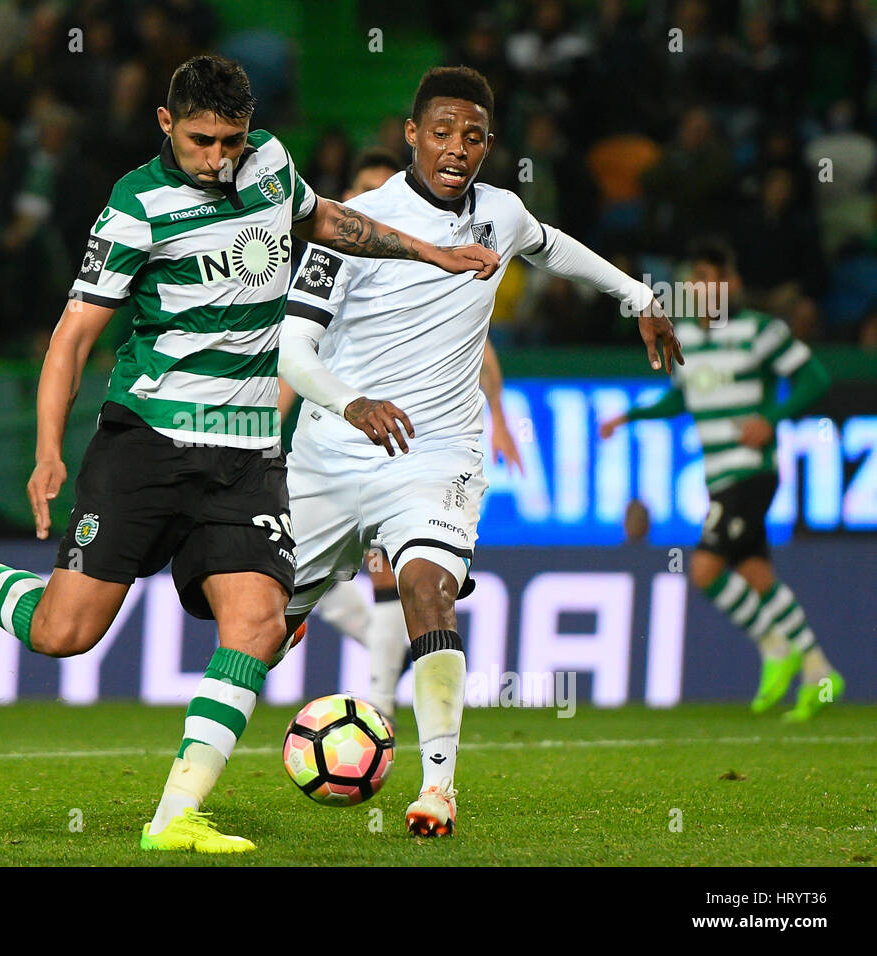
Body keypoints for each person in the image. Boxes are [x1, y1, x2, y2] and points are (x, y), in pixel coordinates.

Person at [0, 55, 499, 853]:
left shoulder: (269, 166)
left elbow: (331, 221)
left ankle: (175, 816)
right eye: (202, 141)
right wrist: (45, 452)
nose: (219, 158)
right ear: (167, 124)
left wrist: (430, 253)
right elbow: (72, 338)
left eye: (232, 140)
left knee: (259, 623)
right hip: (149, 444)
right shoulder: (136, 206)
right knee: (66, 633)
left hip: (244, 456)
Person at [277, 66, 681, 837]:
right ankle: (186, 791)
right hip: (337, 447)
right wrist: (348, 404)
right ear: (411, 134)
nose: (456, 148)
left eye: (472, 135)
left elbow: (555, 246)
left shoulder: (501, 213)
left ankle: (438, 790)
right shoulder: (352, 226)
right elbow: (294, 350)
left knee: (426, 586)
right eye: (441, 132)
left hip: (438, 454)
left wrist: (638, 296)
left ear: (489, 145)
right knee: (254, 624)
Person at [278, 152, 524, 720]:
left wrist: (502, 416)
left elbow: (478, 347)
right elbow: (299, 350)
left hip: (407, 447)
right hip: (334, 439)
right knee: (295, 589)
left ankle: (381, 700)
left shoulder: (431, 261)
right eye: (361, 195)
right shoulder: (338, 252)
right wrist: (274, 423)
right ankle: (359, 656)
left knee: (401, 578)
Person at [600, 238, 841, 721]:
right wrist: (630, 417)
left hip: (751, 472)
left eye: (712, 277)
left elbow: (816, 377)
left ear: (731, 284)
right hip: (718, 476)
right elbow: (680, 401)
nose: (702, 286)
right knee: (755, 574)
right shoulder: (684, 337)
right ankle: (819, 671)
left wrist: (772, 418)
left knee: (706, 570)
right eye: (696, 278)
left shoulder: (760, 331)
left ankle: (776, 648)